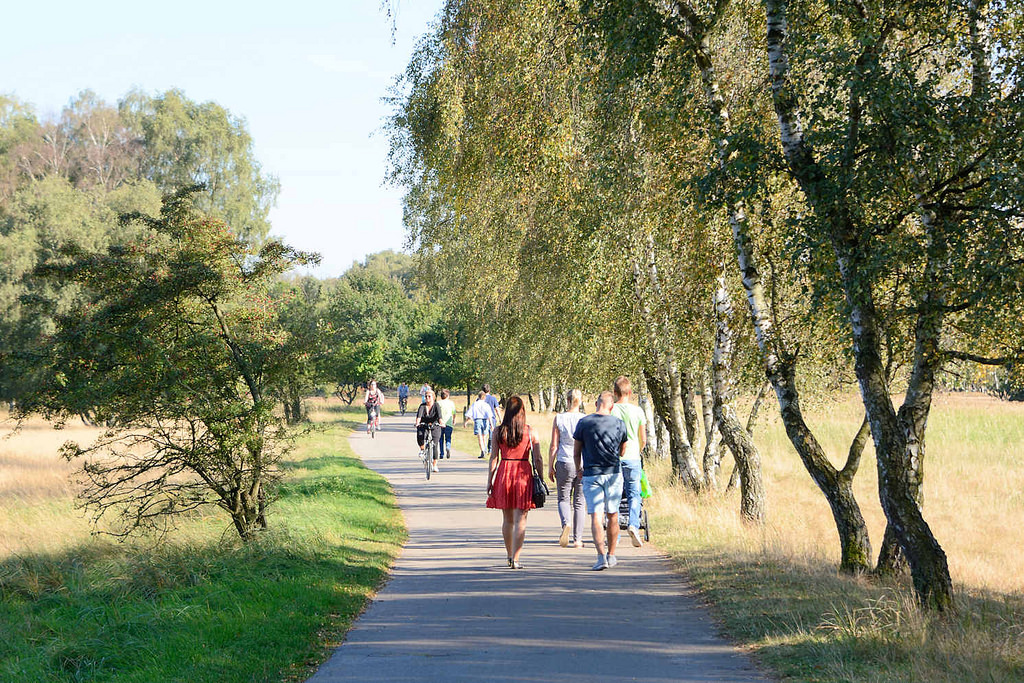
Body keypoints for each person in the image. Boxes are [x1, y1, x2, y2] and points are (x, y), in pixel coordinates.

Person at [485, 395, 543, 569]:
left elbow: (493, 458)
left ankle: (509, 555)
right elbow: (538, 458)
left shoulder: (498, 432)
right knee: (521, 520)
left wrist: (490, 480)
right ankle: (516, 558)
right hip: (523, 473)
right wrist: (540, 477)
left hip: (504, 472)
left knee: (507, 519)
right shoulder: (530, 431)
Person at [574, 391, 627, 571]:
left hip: (591, 473)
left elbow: (576, 450)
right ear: (611, 405)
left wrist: (578, 468)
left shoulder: (584, 423)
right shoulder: (619, 423)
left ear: (597, 403)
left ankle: (600, 557)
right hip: (613, 472)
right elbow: (623, 450)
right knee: (613, 514)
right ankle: (612, 555)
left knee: (596, 515)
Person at [611, 375, 647, 548]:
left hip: (614, 458)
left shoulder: (611, 410)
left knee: (615, 496)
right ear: (630, 392)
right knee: (634, 495)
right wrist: (638, 451)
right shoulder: (638, 411)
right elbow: (644, 439)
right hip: (633, 457)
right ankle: (633, 524)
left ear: (614, 392)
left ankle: (615, 534)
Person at [548, 388, 586, 548]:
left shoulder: (559, 418)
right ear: (580, 402)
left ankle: (566, 524)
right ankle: (577, 539)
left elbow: (554, 445)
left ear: (568, 401)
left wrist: (550, 466)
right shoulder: (585, 419)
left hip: (564, 461)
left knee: (563, 498)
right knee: (579, 502)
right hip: (582, 463)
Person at [415, 389, 443, 472]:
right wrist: (417, 423)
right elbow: (419, 417)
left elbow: (440, 417)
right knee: (420, 435)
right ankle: (422, 450)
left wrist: (442, 423)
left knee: (435, 445)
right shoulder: (422, 406)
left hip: (435, 425)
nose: (427, 398)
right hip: (424, 424)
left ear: (433, 397)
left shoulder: (436, 405)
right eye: (426, 396)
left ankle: (434, 464)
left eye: (429, 396)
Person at [465, 391, 493, 459]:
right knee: (484, 436)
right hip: (485, 420)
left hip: (477, 420)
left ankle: (482, 450)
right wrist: (491, 424)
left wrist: (466, 422)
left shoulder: (475, 404)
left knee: (480, 437)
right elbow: (489, 415)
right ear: (484, 397)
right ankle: (485, 449)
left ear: (478, 397)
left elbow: (470, 414)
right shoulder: (486, 405)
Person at [437, 388, 456, 459]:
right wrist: (454, 419)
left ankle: (441, 453)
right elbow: (454, 412)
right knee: (448, 438)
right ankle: (448, 447)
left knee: (440, 439)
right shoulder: (451, 403)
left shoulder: (438, 403)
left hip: (440, 423)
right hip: (449, 423)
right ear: (448, 396)